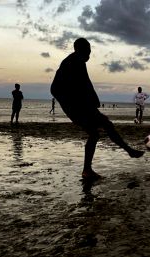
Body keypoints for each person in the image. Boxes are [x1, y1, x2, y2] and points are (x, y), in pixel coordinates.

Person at [50, 38, 144, 179]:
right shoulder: (73, 61)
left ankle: (87, 170)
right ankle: (127, 151)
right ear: (78, 49)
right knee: (105, 125)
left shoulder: (76, 61)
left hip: (79, 106)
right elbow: (55, 89)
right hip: (78, 107)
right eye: (87, 50)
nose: (89, 53)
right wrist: (70, 102)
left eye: (90, 50)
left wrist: (89, 99)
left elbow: (84, 84)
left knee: (95, 133)